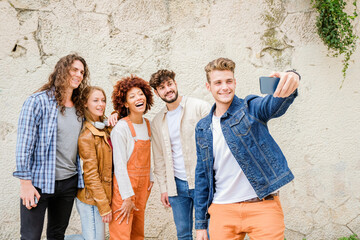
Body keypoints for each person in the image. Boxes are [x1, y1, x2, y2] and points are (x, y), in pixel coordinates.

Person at [194, 57, 300, 240]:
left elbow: (274, 104)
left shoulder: (250, 108)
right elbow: (202, 175)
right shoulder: (203, 127)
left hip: (262, 207)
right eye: (218, 83)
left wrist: (291, 78)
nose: (224, 87)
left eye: (228, 81)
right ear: (208, 86)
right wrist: (201, 225)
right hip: (222, 210)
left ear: (235, 83)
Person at [13, 53, 90, 239]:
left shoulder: (80, 107)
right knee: (30, 236)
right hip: (38, 184)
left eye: (82, 72)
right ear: (63, 71)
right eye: (74, 70)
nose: (79, 75)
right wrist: (25, 184)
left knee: (57, 235)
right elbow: (24, 145)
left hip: (69, 183)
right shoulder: (37, 102)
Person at [149, 70, 210, 239]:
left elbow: (214, 147)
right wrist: (164, 188)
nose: (167, 89)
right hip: (176, 186)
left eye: (169, 84)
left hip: (202, 183)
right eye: (162, 87)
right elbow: (159, 158)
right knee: (183, 234)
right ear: (156, 92)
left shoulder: (200, 107)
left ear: (175, 83)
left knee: (208, 233)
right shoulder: (157, 121)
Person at [109, 75, 154, 240]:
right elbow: (119, 166)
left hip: (142, 189)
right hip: (124, 190)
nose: (138, 98)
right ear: (126, 104)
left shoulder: (148, 125)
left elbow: (152, 157)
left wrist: (151, 178)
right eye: (132, 96)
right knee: (121, 234)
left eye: (140, 93)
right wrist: (127, 197)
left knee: (137, 234)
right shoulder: (121, 128)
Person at [65, 86, 113, 240]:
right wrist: (104, 207)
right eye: (96, 100)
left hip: (103, 195)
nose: (101, 104)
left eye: (103, 100)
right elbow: (91, 175)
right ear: (85, 103)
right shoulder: (87, 135)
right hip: (91, 199)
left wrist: (115, 115)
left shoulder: (105, 127)